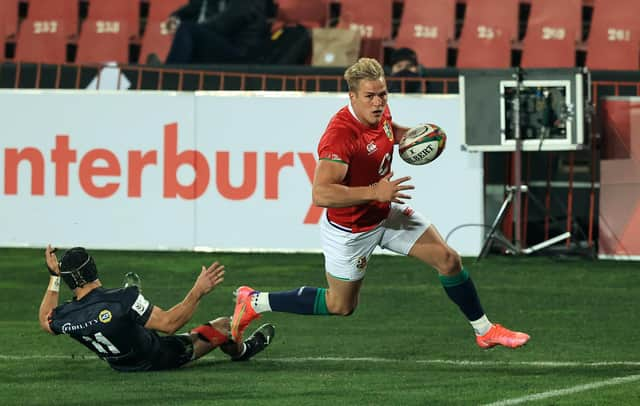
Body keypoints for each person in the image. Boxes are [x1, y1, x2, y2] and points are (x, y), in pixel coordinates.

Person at [230, 58, 530, 350]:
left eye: (383, 94)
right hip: (351, 230)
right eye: (370, 96)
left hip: (384, 214)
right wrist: (374, 191)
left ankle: (485, 331)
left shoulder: (380, 113)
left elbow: (391, 132)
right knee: (341, 305)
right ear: (352, 96)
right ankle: (256, 301)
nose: (378, 102)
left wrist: (421, 136)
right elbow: (321, 194)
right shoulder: (339, 136)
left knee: (448, 260)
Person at [39, 245, 275, 372]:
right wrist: (198, 290)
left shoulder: (65, 315)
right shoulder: (122, 299)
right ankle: (243, 350)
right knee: (224, 325)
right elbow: (169, 324)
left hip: (120, 365)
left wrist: (53, 277)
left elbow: (45, 321)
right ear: (92, 269)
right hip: (159, 356)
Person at [158, 0, 272, 65]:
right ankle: (169, 72)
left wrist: (197, 30)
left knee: (188, 30)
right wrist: (176, 17)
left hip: (241, 53)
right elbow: (197, 5)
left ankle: (168, 74)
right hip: (225, 45)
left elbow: (224, 24)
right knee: (189, 36)